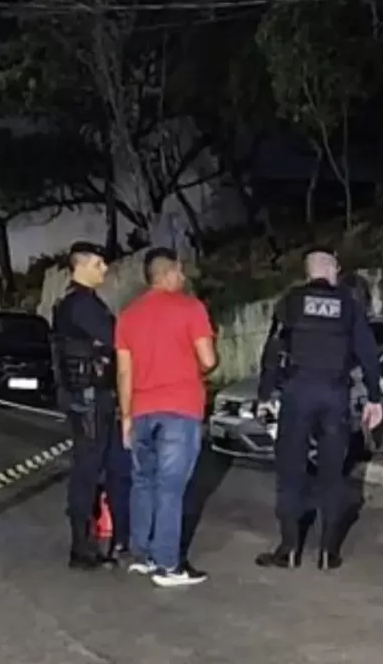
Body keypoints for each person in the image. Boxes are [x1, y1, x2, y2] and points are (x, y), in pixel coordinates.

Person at [254, 247, 383, 570]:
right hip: (334, 394)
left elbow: (272, 351)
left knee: (290, 471)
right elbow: (368, 353)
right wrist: (374, 397)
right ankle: (328, 551)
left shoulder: (292, 301)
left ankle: (289, 549)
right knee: (332, 474)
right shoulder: (349, 306)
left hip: (298, 393)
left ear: (308, 272)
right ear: (332, 270)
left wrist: (265, 394)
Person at [116, 247, 217, 588]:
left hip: (142, 411)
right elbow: (208, 360)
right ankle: (168, 564)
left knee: (143, 482)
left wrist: (126, 416)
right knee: (171, 488)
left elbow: (124, 373)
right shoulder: (191, 308)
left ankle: (142, 554)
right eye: (180, 271)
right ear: (169, 273)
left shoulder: (128, 316)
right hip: (180, 408)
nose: (184, 277)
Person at [51, 241, 131, 570]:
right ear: (81, 266)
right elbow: (117, 338)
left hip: (96, 396)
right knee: (88, 471)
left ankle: (116, 538)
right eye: (99, 264)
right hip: (89, 398)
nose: (104, 270)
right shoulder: (81, 304)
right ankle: (82, 547)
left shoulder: (81, 302)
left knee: (112, 467)